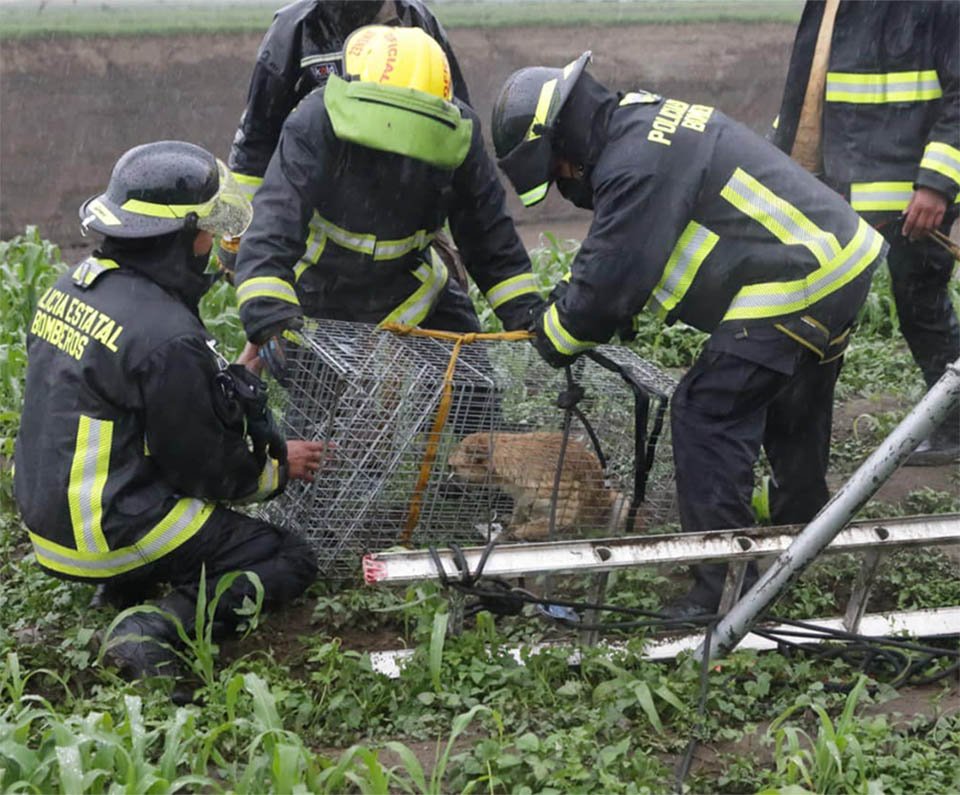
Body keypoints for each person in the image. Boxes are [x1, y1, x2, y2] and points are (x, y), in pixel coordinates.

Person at [491, 54, 888, 618]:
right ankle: (801, 539)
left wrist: (550, 334)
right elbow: (641, 251)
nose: (566, 182)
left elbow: (607, 283)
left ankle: (724, 593)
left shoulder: (634, 162)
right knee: (789, 402)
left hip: (801, 274)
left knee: (707, 410)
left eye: (557, 170)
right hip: (838, 259)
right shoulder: (642, 125)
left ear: (564, 143)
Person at [13, 141, 325, 679]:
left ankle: (122, 586)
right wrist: (277, 469)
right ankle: (154, 628)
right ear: (177, 239)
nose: (210, 244)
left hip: (50, 516)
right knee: (287, 558)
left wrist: (227, 379)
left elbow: (128, 396)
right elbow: (208, 472)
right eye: (206, 232)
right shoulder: (167, 334)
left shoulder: (74, 286)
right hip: (102, 531)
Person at [234, 25, 542, 379]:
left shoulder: (461, 134)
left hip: (411, 289)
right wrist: (270, 318)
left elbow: (489, 240)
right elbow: (272, 227)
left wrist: (529, 316)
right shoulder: (315, 122)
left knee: (472, 386)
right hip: (321, 292)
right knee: (319, 417)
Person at [771, 0, 960, 465]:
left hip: (911, 198)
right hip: (833, 188)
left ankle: (955, 424)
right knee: (815, 309)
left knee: (922, 307)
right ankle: (792, 434)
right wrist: (780, 165)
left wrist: (935, 184)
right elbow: (804, 90)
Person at [223, 0, 471, 278]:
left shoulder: (418, 20)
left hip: (406, 228)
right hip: (318, 228)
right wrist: (237, 235)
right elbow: (257, 140)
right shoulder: (293, 31)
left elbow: (455, 121)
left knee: (450, 292)